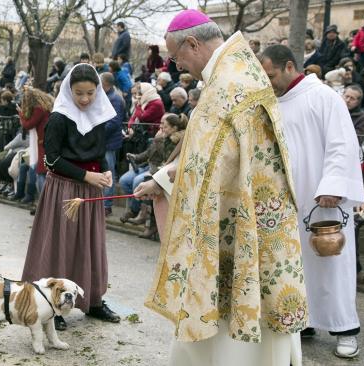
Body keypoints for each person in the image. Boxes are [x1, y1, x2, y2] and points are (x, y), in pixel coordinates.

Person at [133, 10, 307, 365]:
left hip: (239, 226)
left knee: (231, 335)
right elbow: (211, 159)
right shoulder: (233, 76)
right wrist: (163, 180)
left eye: (176, 57)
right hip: (246, 217)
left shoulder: (229, 87)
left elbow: (214, 166)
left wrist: (166, 182)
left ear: (193, 43)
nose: (178, 66)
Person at [261, 44, 364, 359]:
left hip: (323, 198)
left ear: (290, 67)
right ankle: (303, 321)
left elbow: (342, 145)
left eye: (272, 75)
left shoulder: (324, 97)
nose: (269, 82)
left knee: (330, 262)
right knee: (296, 263)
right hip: (290, 198)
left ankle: (345, 329)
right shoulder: (274, 102)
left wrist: (332, 185)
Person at [21, 63, 121, 332]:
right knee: (61, 246)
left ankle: (94, 300)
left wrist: (107, 171)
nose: (86, 99)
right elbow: (51, 159)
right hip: (64, 189)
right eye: (79, 93)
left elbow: (101, 152)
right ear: (69, 90)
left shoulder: (99, 114)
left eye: (90, 93)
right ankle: (54, 306)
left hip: (90, 191)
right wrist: (87, 177)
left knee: (91, 245)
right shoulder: (58, 118)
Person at [126, 113, 186, 239]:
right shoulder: (164, 138)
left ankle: (147, 221)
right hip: (155, 169)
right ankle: (135, 212)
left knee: (140, 181)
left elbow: (167, 160)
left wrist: (159, 140)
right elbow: (148, 153)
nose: (161, 127)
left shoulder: (175, 140)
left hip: (161, 171)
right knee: (126, 180)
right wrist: (135, 157)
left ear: (174, 128)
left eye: (164, 125)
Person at [17, 87, 53, 194]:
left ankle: (43, 202)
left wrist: (20, 113)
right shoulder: (46, 106)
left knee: (41, 173)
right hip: (47, 141)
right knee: (43, 172)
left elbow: (28, 124)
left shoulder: (39, 109)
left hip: (44, 142)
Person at [100, 72, 125, 216]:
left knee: (108, 173)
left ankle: (107, 205)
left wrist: (98, 135)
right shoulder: (108, 96)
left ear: (105, 84)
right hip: (105, 141)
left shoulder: (114, 99)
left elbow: (114, 123)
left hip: (109, 142)